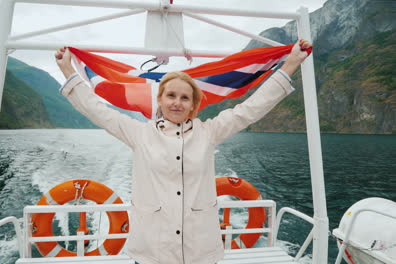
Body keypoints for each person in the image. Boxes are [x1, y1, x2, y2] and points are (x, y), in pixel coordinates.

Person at [55, 39, 312, 264]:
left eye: (185, 98)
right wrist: (68, 70)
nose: (177, 102)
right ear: (160, 99)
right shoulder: (139, 134)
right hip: (151, 251)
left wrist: (289, 65)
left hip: (199, 250)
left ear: (193, 105)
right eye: (171, 96)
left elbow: (251, 109)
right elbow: (96, 110)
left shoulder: (209, 132)